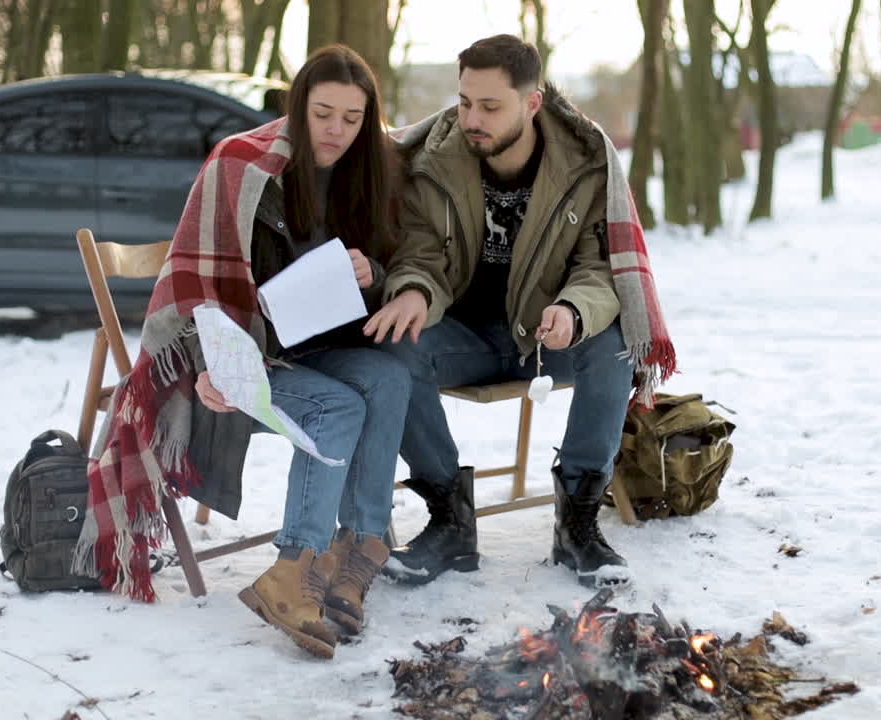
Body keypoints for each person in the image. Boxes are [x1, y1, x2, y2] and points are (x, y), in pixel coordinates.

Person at [74, 45, 408, 661]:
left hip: (321, 344)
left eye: (352, 118)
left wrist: (374, 271)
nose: (336, 130)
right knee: (337, 408)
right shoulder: (242, 166)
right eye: (323, 113)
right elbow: (196, 293)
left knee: (389, 379)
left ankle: (355, 554)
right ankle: (294, 567)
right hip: (245, 356)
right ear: (298, 107)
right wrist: (208, 364)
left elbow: (395, 256)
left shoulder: (370, 172)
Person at [365, 35, 675, 589]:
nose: (471, 119)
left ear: (531, 104)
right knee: (395, 342)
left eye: (489, 106)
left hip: (548, 335)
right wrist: (412, 288)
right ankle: (449, 521)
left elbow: (599, 269)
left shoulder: (585, 163)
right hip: (464, 337)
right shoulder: (433, 160)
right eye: (464, 102)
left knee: (616, 341)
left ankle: (577, 520)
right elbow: (420, 252)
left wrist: (573, 310)